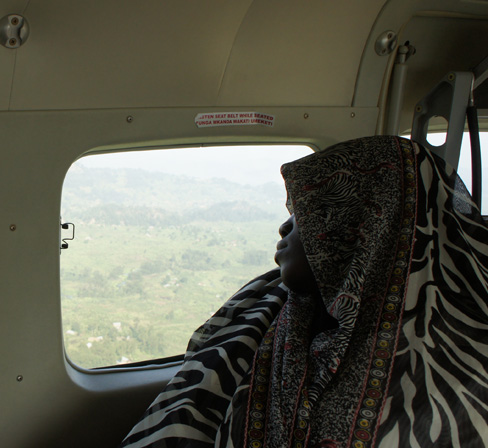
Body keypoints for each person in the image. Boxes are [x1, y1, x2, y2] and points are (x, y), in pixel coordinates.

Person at [119, 135, 488, 447]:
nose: (284, 227)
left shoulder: (457, 388)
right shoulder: (275, 305)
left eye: (309, 214)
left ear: (363, 232)